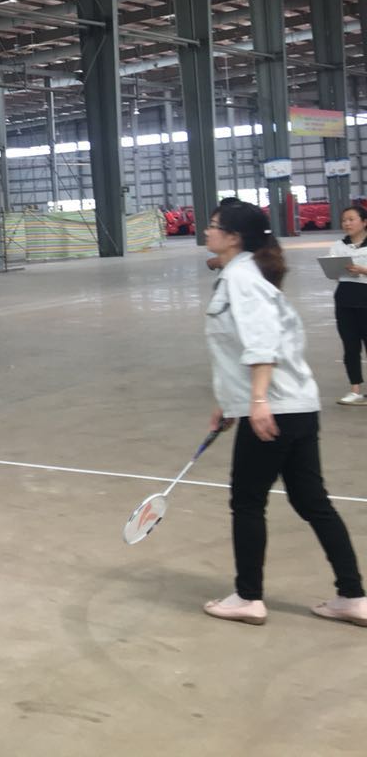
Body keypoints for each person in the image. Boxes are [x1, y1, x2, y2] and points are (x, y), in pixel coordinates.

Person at [199, 198, 367, 625]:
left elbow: (262, 345)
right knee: (313, 501)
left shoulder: (242, 279)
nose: (206, 230)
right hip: (296, 406)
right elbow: (240, 351)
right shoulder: (246, 275)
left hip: (274, 409)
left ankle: (248, 597)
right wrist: (230, 403)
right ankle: (352, 596)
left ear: (233, 237)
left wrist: (257, 403)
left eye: (214, 225)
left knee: (247, 501)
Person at [327, 204, 367, 406]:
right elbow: (333, 274)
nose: (347, 223)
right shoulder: (338, 246)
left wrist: (363, 270)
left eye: (351, 219)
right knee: (350, 347)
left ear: (364, 222)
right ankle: (355, 390)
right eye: (344, 220)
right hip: (345, 299)